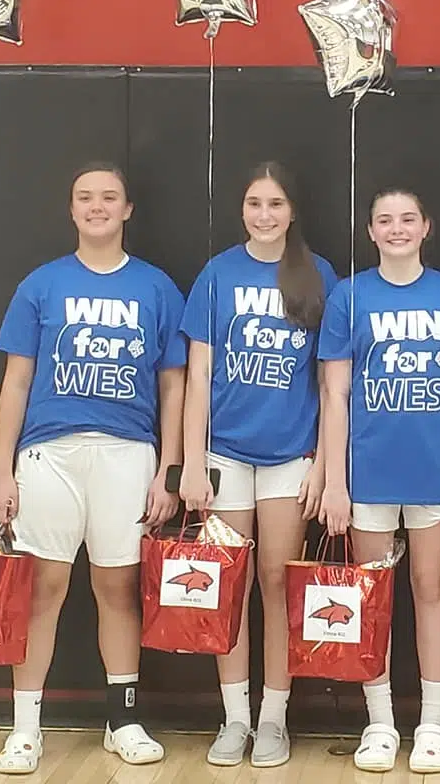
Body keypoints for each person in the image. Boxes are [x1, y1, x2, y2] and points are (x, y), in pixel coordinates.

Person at [0, 162, 187, 774]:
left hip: (127, 453)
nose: (97, 206)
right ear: (72, 209)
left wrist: (169, 468)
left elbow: (174, 386)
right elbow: (16, 382)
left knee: (118, 587)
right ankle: (25, 729)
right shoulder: (42, 284)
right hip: (50, 454)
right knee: (43, 587)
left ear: (127, 210)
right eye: (85, 197)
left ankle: (122, 720)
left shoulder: (156, 287)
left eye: (109, 197)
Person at [319, 187, 440, 775]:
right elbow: (336, 394)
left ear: (425, 227)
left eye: (407, 219)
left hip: (435, 475)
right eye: (385, 220)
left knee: (430, 588)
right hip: (368, 474)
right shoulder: (349, 296)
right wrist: (335, 481)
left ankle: (433, 724)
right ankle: (379, 723)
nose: (397, 228)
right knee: (370, 597)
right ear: (370, 231)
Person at [178, 161, 337, 768]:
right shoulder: (218, 274)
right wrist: (192, 462)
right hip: (224, 454)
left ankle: (273, 718)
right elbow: (197, 376)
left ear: (292, 211)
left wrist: (323, 464)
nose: (264, 215)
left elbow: (332, 382)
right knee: (228, 585)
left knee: (276, 581)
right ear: (241, 209)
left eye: (275, 204)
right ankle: (235, 718)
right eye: (254, 204)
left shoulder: (318, 274)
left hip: (290, 456)